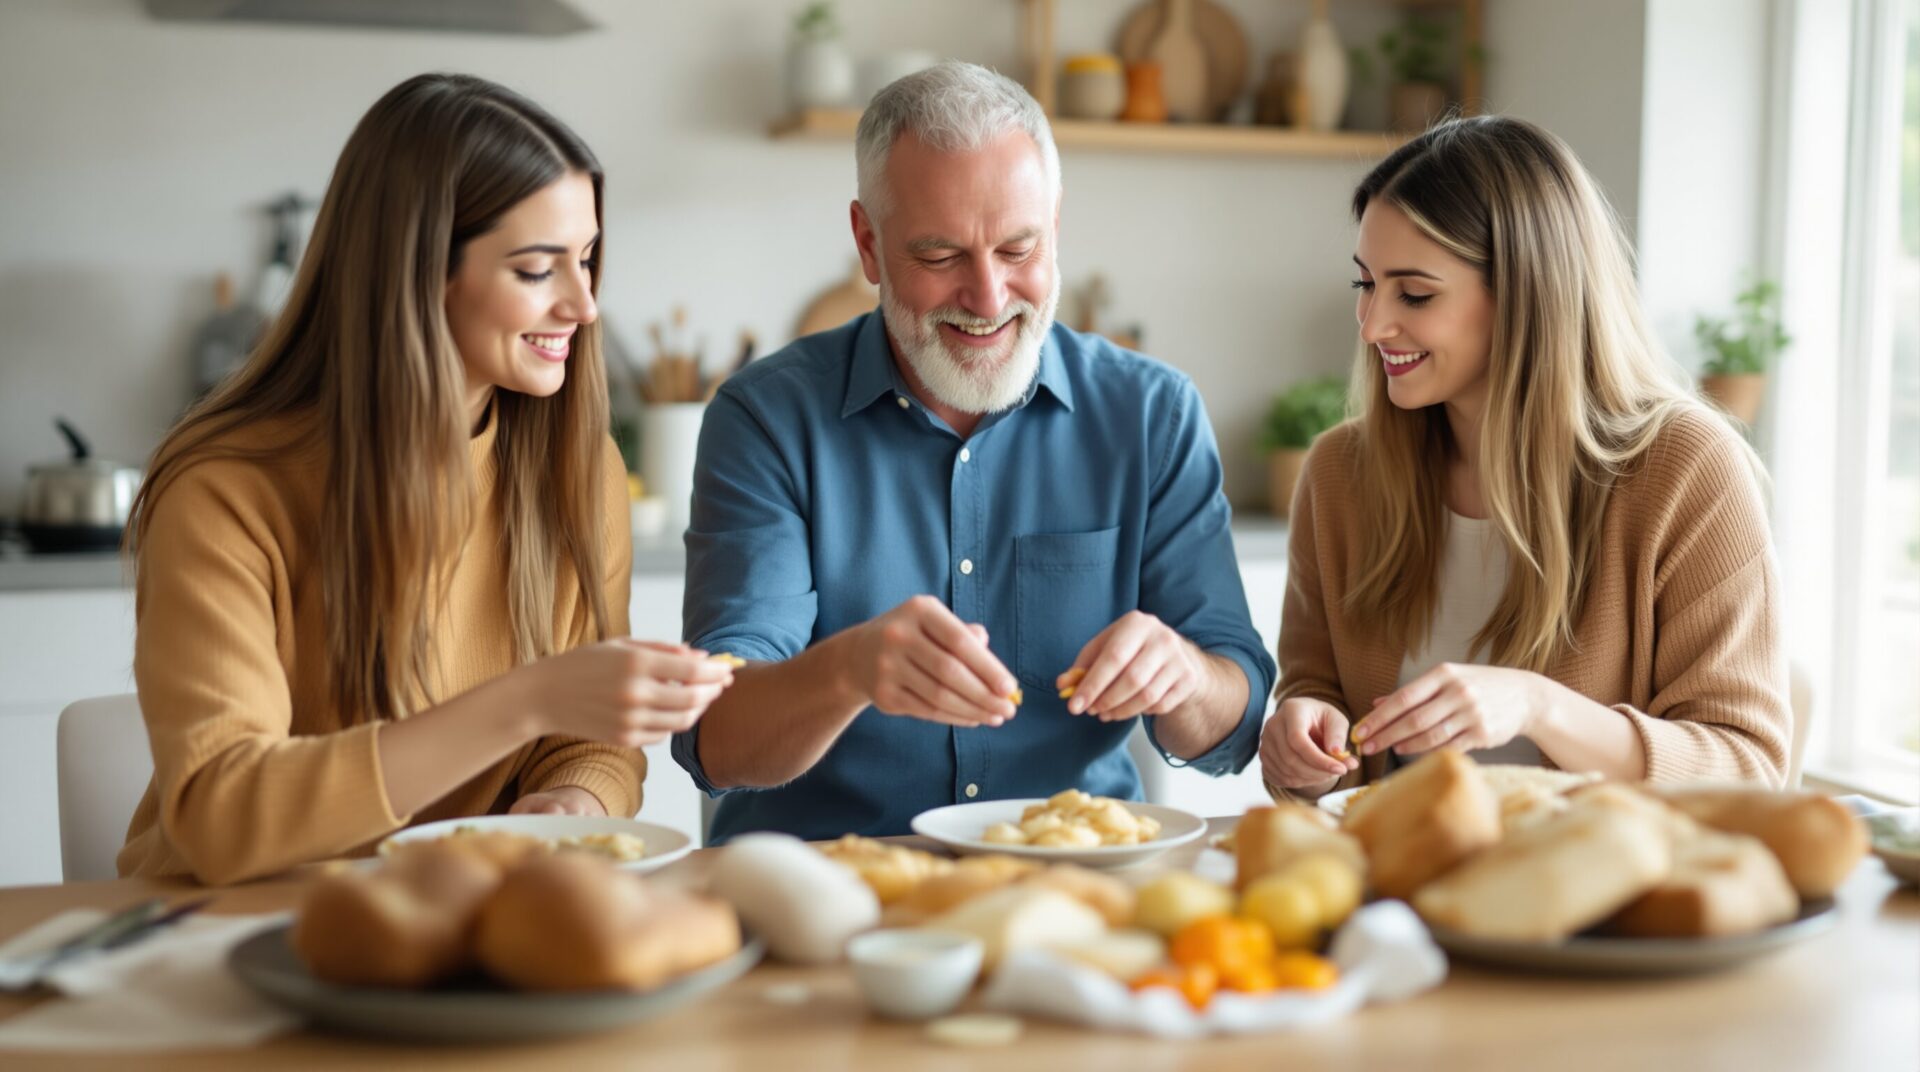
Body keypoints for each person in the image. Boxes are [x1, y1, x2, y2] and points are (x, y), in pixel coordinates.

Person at [118, 73, 733, 885]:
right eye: (537, 270)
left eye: (586, 260)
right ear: (418, 274)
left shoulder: (578, 472)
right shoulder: (224, 490)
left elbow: (588, 743)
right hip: (224, 931)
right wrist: (528, 699)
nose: (584, 307)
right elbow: (223, 818)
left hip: (458, 916)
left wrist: (574, 800)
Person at [675, 62, 1276, 842]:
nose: (990, 299)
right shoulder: (765, 419)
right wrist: (848, 671)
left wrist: (1188, 677)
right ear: (868, 243)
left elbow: (1231, 728)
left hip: (1073, 885)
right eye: (940, 257)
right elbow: (717, 739)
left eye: (1019, 250)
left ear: (1055, 226)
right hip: (823, 890)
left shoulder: (1151, 414)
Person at [1260, 115, 1790, 801]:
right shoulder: (1340, 474)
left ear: (1527, 294)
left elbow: (1748, 766)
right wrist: (1302, 731)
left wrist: (1541, 707)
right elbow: (1315, 686)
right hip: (1394, 888)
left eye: (1414, 293)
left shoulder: (1688, 469)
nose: (1371, 325)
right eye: (1365, 285)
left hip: (1600, 895)